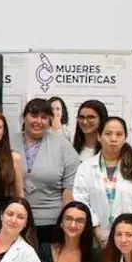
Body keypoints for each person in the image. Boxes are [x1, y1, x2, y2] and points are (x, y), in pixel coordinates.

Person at [73, 116, 132, 242]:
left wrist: (127, 231)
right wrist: (97, 230)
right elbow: (81, 201)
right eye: (108, 134)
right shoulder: (86, 167)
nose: (113, 139)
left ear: (125, 138)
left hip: (129, 237)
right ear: (99, 136)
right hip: (96, 236)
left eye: (119, 134)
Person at [19, 98, 79, 244]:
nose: (38, 121)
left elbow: (69, 189)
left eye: (44, 117)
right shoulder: (9, 143)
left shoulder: (63, 146)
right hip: (16, 221)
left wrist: (66, 222)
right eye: (34, 116)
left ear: (50, 120)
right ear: (24, 117)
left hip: (51, 224)